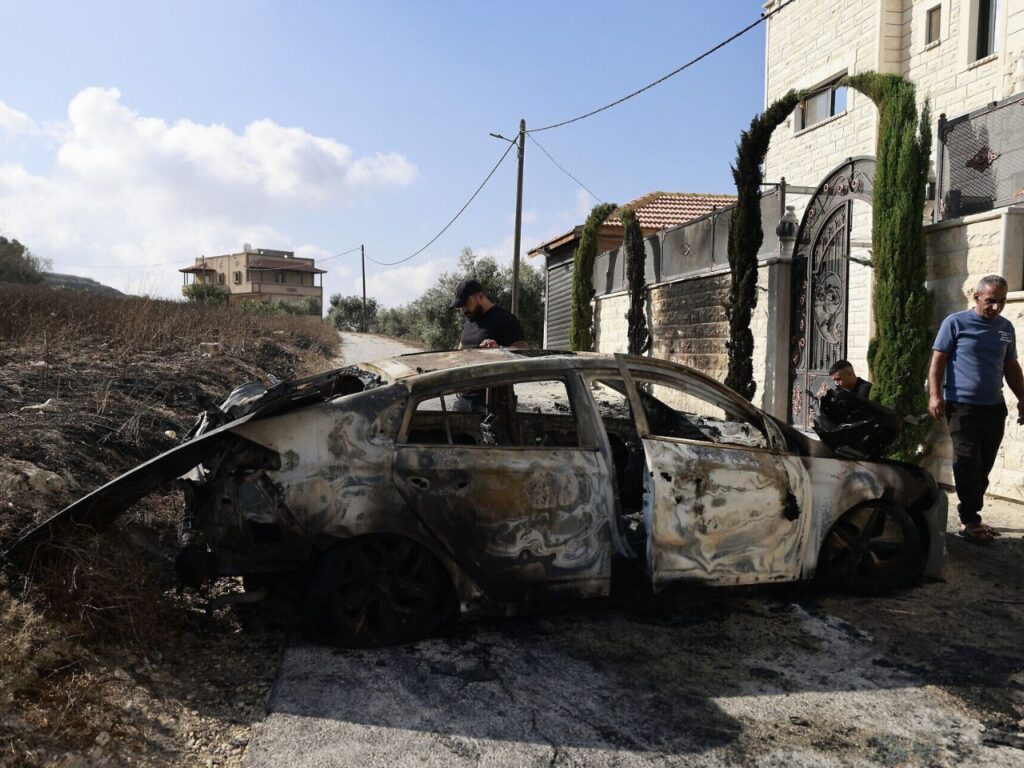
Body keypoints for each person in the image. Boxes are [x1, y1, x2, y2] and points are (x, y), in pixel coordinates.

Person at [929, 275, 1024, 543]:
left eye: (1002, 301)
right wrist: (935, 395)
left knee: (984, 463)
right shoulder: (955, 322)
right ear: (977, 297)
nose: (997, 307)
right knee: (967, 459)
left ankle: (971, 513)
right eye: (991, 301)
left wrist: (1023, 398)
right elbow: (938, 359)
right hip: (961, 406)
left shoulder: (1006, 328)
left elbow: (1011, 366)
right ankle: (970, 519)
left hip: (994, 406)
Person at [449, 279, 527, 412]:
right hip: (464, 399)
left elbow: (524, 350)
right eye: (461, 307)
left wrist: (500, 350)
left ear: (480, 296)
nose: (464, 310)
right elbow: (460, 351)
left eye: (466, 304)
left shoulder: (505, 319)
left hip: (492, 404)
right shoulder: (469, 322)